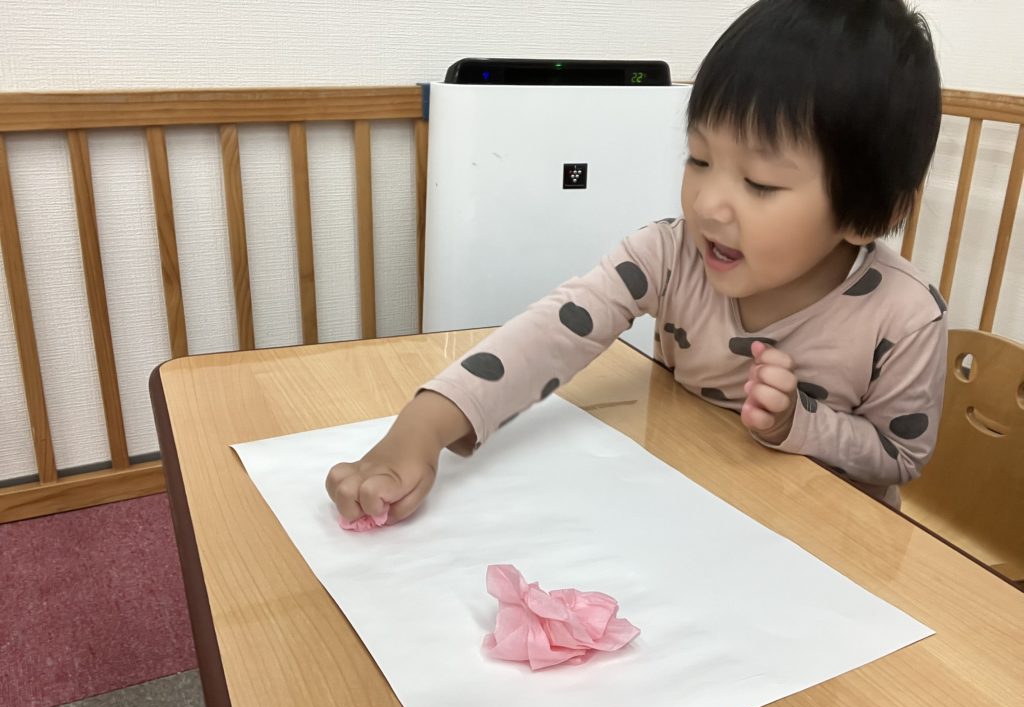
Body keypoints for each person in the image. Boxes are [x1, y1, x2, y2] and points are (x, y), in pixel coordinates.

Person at [326, 0, 947, 525]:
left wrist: (799, 424)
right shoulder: (670, 255)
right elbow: (549, 335)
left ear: (870, 213)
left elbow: (900, 458)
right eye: (699, 159)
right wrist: (422, 428)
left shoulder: (905, 316)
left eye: (760, 183)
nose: (706, 203)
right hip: (693, 504)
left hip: (829, 547)